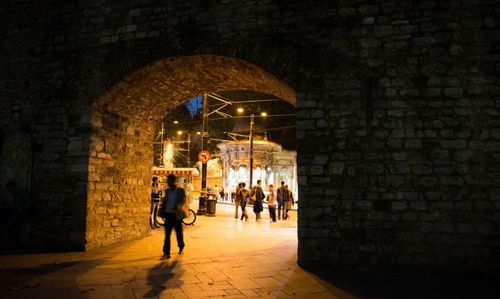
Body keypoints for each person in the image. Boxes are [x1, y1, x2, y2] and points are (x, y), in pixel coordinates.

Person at [160, 174, 186, 260]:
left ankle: (181, 247)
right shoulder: (167, 191)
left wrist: (178, 206)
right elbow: (165, 201)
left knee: (179, 233)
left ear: (173, 181)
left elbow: (183, 200)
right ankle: (166, 253)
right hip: (168, 215)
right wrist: (162, 210)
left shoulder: (180, 191)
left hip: (176, 215)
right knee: (167, 235)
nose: (167, 182)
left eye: (169, 180)